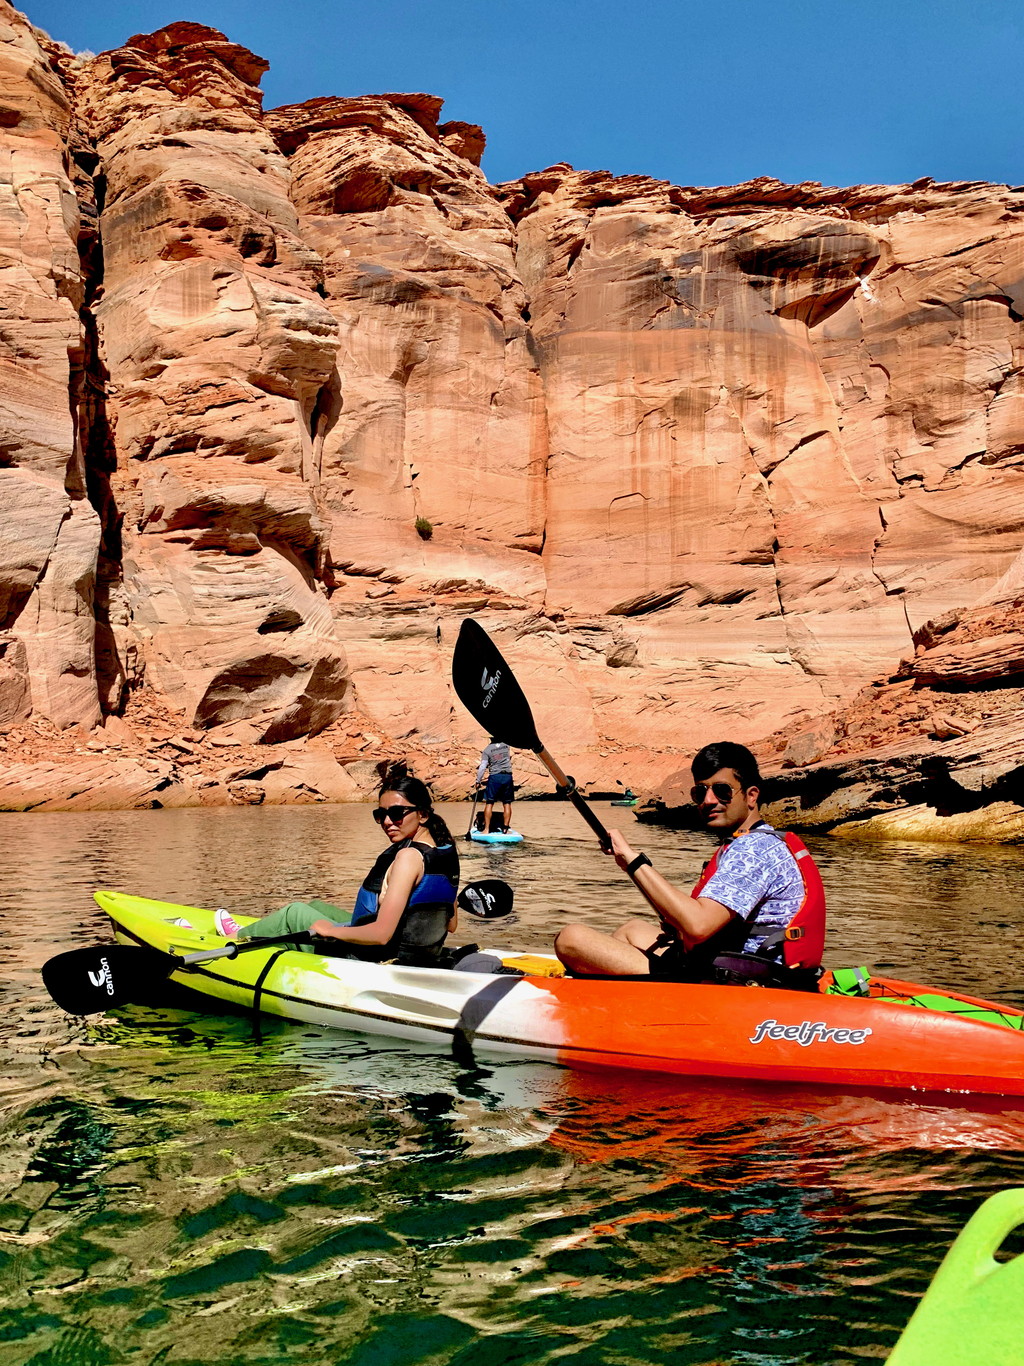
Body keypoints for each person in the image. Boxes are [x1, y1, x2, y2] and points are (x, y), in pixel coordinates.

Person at [553, 741, 825, 983]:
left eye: (722, 790)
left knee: (572, 939)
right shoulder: (757, 840)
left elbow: (698, 925)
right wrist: (629, 865)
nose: (708, 801)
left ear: (751, 796)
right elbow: (704, 923)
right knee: (633, 929)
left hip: (738, 978)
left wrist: (634, 860)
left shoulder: (753, 849)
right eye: (700, 792)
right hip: (736, 962)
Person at [213, 770, 460, 967]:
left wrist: (331, 931)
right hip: (416, 950)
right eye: (380, 814)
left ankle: (235, 940)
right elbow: (450, 925)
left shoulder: (409, 857)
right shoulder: (445, 849)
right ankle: (260, 933)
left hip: (382, 957)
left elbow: (382, 934)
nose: (386, 822)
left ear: (423, 815)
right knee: (317, 907)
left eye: (396, 813)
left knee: (295, 913)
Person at [476, 737, 514, 834]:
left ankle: (487, 829)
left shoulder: (487, 750)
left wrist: (478, 780)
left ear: (490, 738)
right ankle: (505, 829)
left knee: (489, 802)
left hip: (495, 777)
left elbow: (483, 766)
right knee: (507, 803)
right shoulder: (506, 745)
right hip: (507, 776)